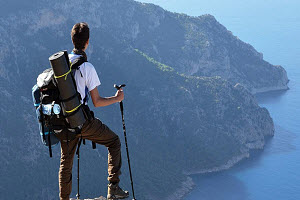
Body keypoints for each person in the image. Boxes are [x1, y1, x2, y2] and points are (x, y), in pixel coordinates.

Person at [58, 22, 129, 200]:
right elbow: (96, 102)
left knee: (66, 163)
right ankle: (113, 188)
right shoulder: (87, 68)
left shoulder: (62, 65)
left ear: (72, 40)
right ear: (87, 42)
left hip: (63, 121)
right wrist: (117, 98)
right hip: (82, 122)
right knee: (114, 141)